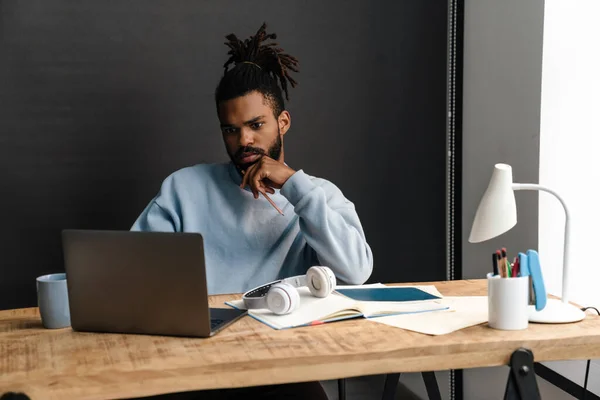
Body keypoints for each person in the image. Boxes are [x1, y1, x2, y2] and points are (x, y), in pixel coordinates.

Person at [131, 23, 373, 399]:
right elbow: (130, 271)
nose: (243, 140)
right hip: (196, 363)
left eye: (256, 125)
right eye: (230, 130)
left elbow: (356, 271)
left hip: (282, 365)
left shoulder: (317, 196)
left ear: (283, 122)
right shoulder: (184, 189)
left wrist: (295, 185)